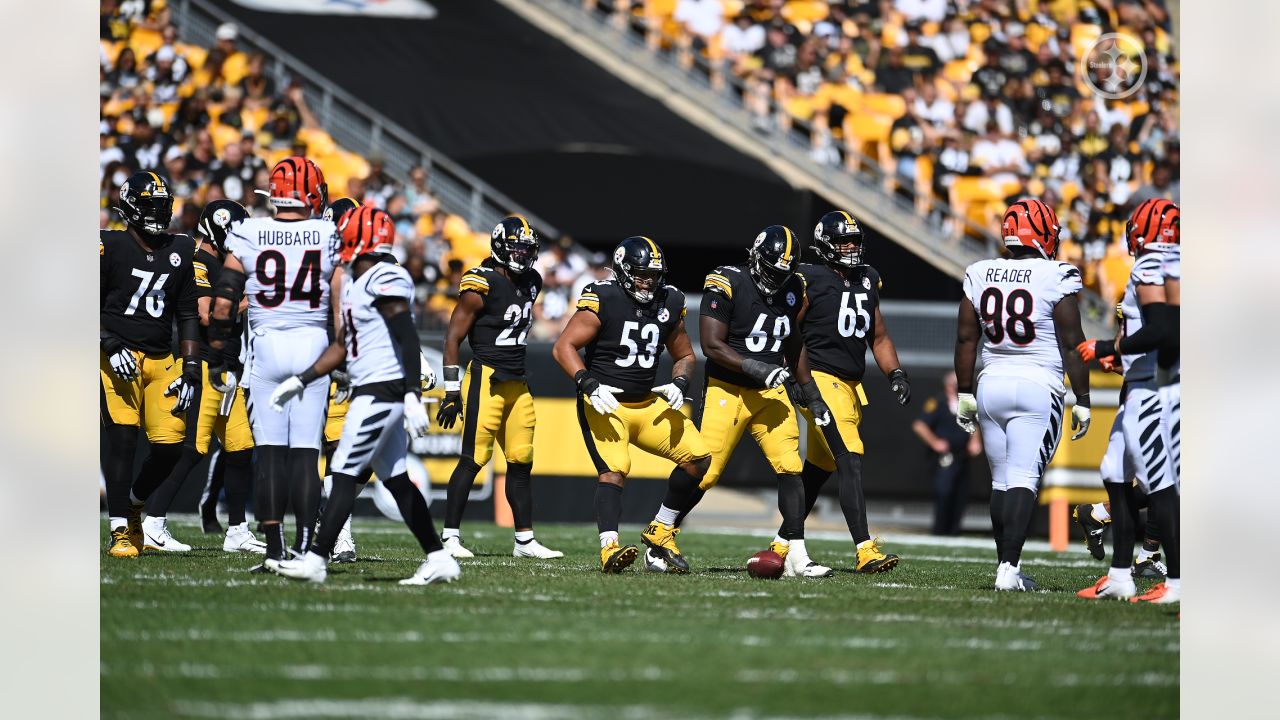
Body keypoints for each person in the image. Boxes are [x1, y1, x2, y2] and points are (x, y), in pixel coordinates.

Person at [267, 206, 457, 585]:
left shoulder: (385, 275)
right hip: (372, 389)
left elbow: (406, 333)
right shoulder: (358, 280)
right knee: (397, 480)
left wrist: (411, 394)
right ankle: (439, 558)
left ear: (358, 239)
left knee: (342, 473)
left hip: (381, 392)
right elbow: (342, 345)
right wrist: (302, 380)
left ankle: (316, 559)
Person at [208, 156, 340, 568]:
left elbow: (223, 303)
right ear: (311, 194)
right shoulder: (327, 232)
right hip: (313, 346)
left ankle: (275, 549)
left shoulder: (247, 231)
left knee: (268, 454)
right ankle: (303, 546)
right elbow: (340, 301)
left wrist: (215, 357)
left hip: (265, 347)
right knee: (305, 454)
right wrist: (343, 352)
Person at [953, 198, 1092, 591]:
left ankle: (1005, 567)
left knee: (1002, 481)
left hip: (991, 382)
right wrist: (1082, 397)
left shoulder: (980, 272)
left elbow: (966, 337)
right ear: (1043, 232)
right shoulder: (1055, 275)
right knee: (1023, 479)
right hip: (1037, 386)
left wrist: (965, 390)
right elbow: (1072, 343)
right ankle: (1008, 569)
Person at [552, 237, 712, 573]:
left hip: (647, 402)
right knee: (614, 472)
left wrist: (680, 383)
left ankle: (661, 529)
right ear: (624, 271)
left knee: (699, 459)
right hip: (605, 402)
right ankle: (609, 549)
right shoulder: (605, 298)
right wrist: (588, 383)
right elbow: (563, 347)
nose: (648, 282)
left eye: (654, 275)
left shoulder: (669, 300)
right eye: (641, 274)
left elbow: (684, 354)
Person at [683, 226, 834, 578]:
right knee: (706, 470)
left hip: (769, 389)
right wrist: (757, 366)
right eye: (771, 270)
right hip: (728, 387)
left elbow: (794, 341)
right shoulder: (727, 279)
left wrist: (811, 392)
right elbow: (711, 345)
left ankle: (797, 554)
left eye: (784, 273)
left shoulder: (794, 285)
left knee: (791, 467)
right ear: (755, 257)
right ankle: (662, 534)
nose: (777, 279)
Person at [140, 199, 264, 554]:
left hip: (227, 368)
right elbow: (206, 315)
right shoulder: (199, 262)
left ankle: (238, 530)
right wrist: (250, 300)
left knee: (241, 448)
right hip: (206, 366)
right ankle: (153, 522)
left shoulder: (224, 264)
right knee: (192, 449)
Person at [436, 216, 563, 560]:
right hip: (486, 377)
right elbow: (453, 337)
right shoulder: (481, 283)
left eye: (527, 250)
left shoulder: (533, 281)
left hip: (517, 381)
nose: (523, 256)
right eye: (517, 249)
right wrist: (450, 391)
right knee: (473, 459)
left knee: (521, 460)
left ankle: (524, 540)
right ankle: (449, 537)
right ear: (499, 246)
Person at [788, 212, 907, 572]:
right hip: (821, 379)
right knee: (850, 457)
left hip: (851, 386)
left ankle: (782, 541)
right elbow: (790, 330)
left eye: (856, 241)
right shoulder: (809, 278)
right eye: (845, 241)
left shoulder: (868, 278)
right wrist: (798, 378)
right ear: (826, 243)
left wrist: (895, 372)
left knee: (821, 465)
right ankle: (865, 549)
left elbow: (879, 335)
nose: (852, 248)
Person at [1076, 199, 1180, 603]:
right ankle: (1120, 574)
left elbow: (1164, 331)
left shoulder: (1152, 264)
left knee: (1161, 483)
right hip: (1150, 377)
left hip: (1153, 384)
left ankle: (1176, 582)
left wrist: (1109, 346)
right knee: (1114, 468)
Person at [101, 172, 202, 557]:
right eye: (150, 205)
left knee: (170, 447)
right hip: (117, 354)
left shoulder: (178, 248)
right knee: (123, 438)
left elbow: (188, 312)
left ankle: (135, 506)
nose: (158, 213)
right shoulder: (108, 245)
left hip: (162, 358)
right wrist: (108, 343)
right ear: (129, 208)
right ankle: (120, 530)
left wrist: (191, 365)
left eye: (162, 205)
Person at [913, 372, 982, 536]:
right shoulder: (937, 402)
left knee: (961, 494)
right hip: (945, 458)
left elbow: (974, 424)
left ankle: (954, 530)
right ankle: (940, 530)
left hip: (963, 456)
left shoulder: (967, 404)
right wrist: (935, 442)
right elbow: (920, 425)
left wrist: (975, 441)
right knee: (945, 492)